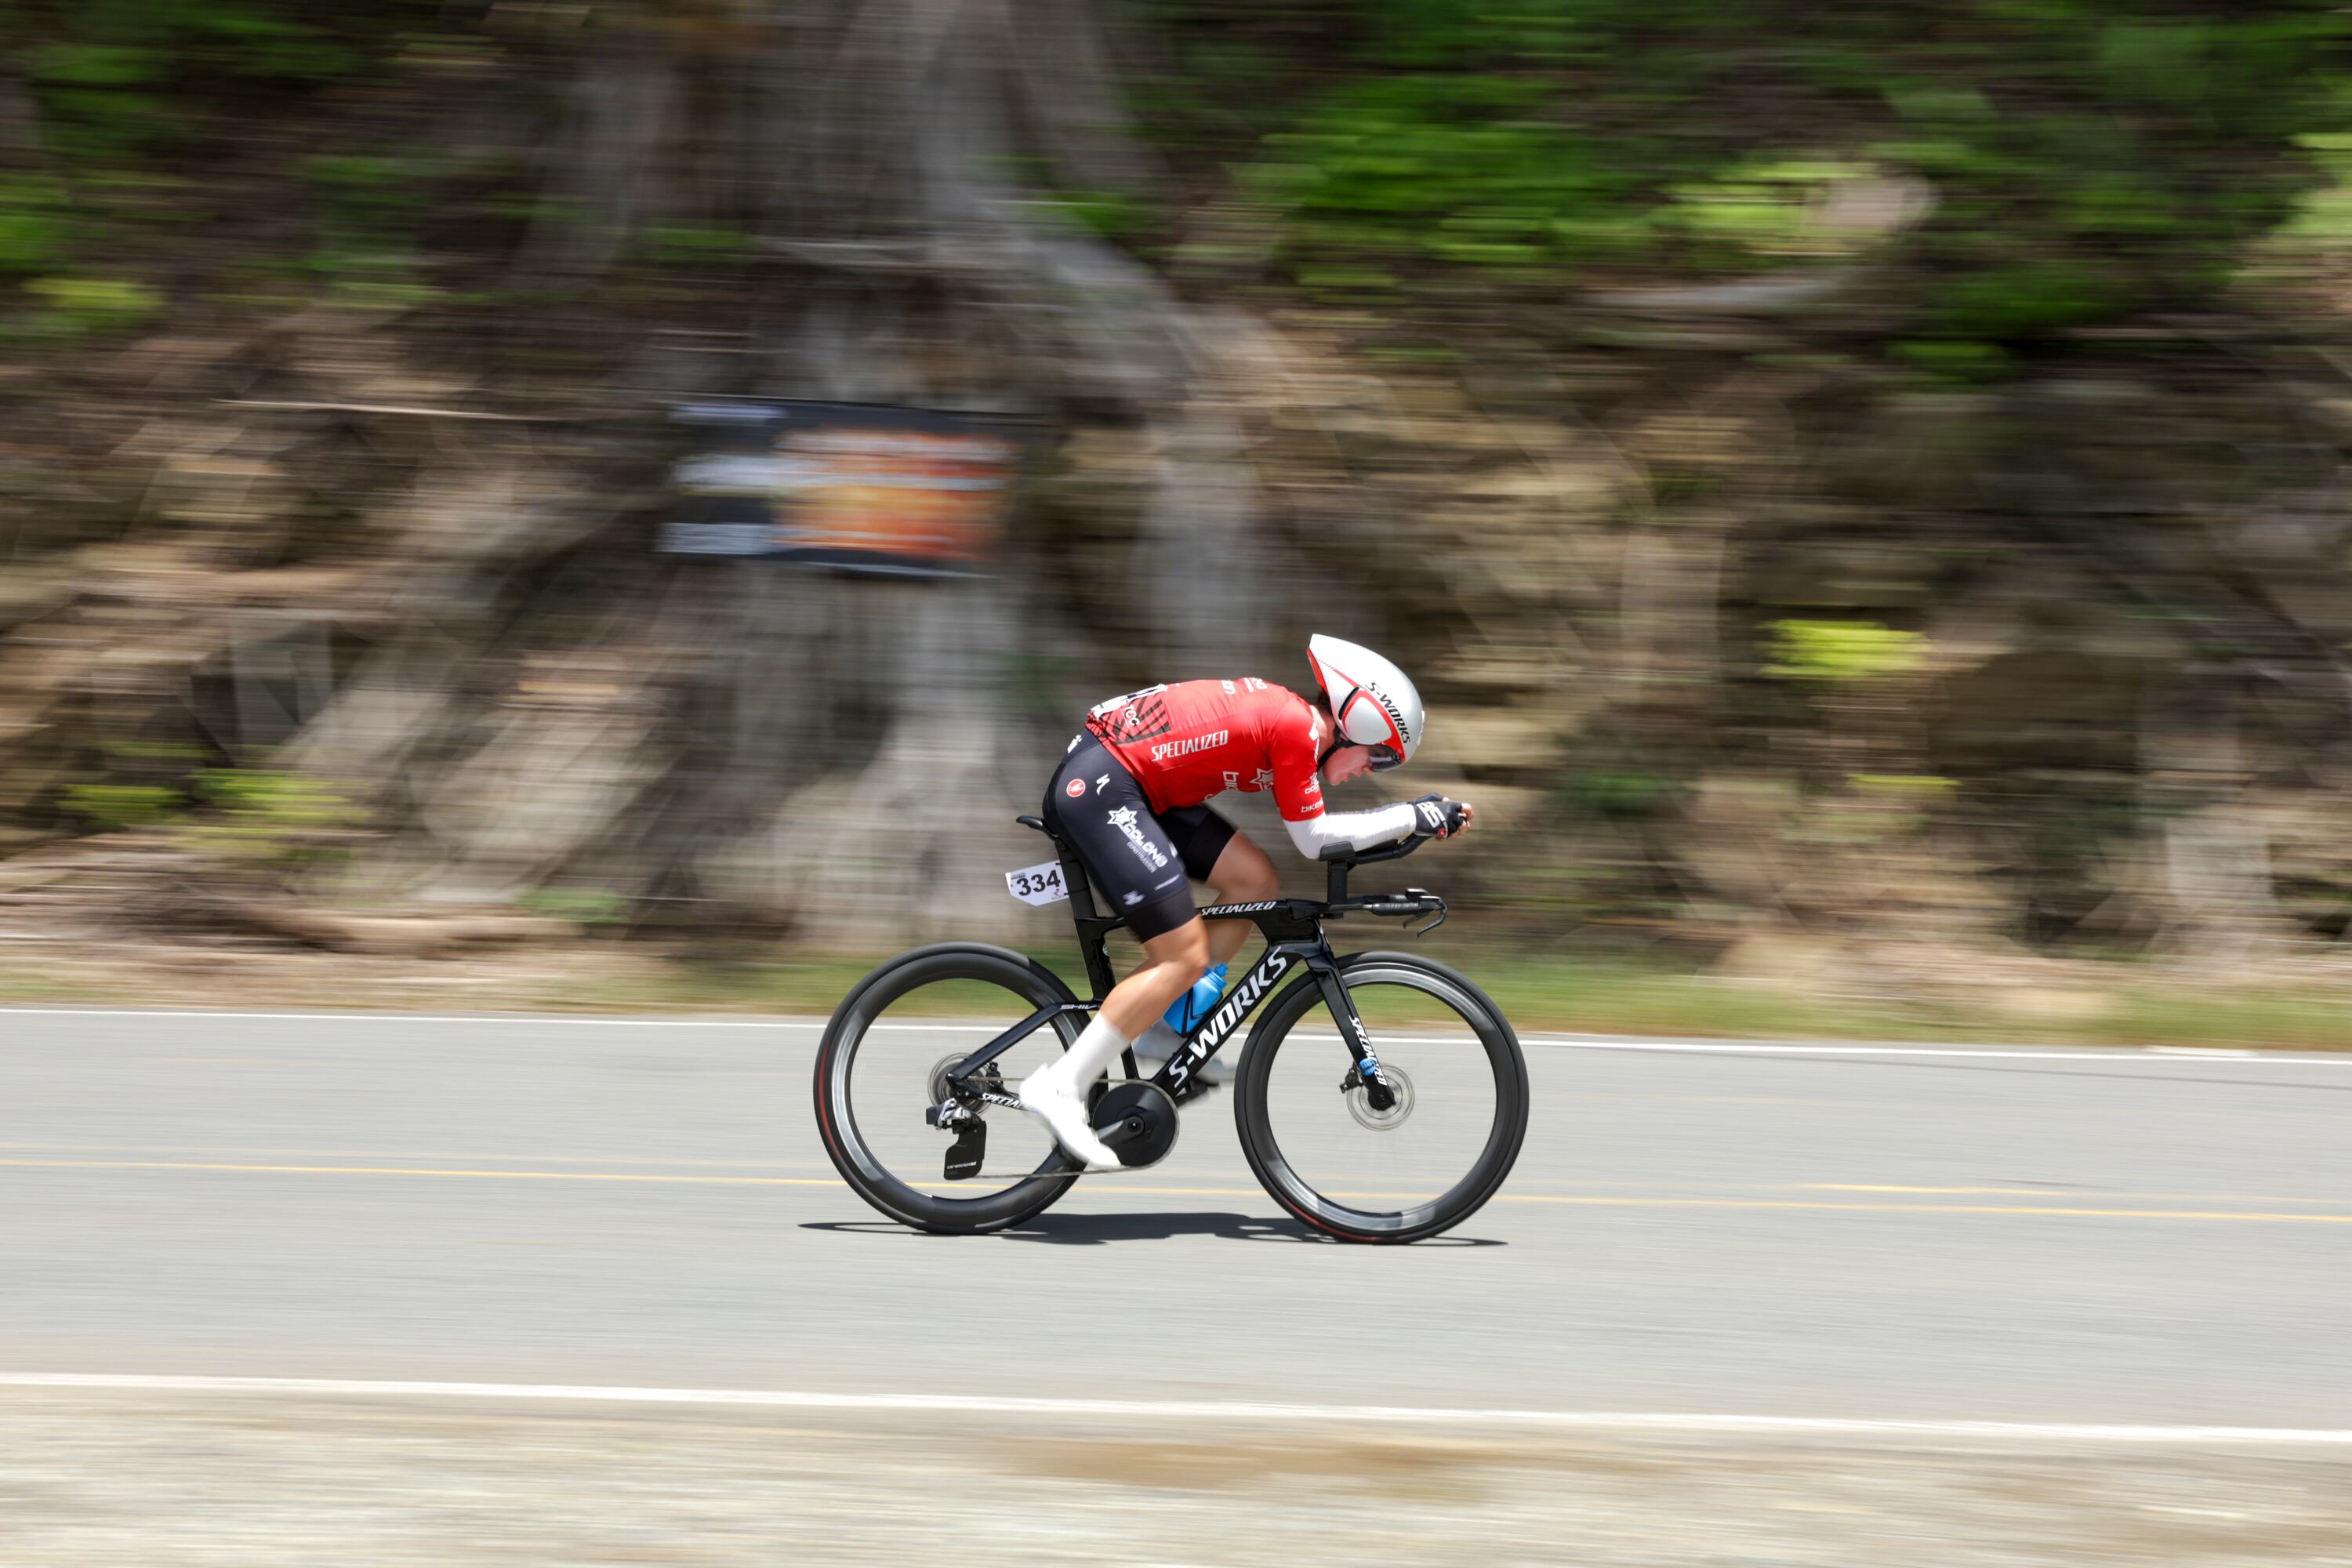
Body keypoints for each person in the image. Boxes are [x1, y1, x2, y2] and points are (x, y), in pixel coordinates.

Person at [1018, 635, 1473, 1170]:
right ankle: (1060, 1087)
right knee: (1180, 956)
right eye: (1379, 753)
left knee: (1255, 880)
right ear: (1361, 720)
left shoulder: (1297, 724)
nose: (1371, 768)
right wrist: (1412, 816)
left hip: (1137, 788)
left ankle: (1165, 1034)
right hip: (1104, 788)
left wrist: (1412, 817)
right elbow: (1315, 840)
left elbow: (1310, 842)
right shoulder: (1297, 729)